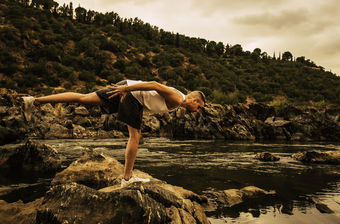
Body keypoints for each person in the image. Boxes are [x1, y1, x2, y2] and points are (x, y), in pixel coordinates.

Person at [22, 80, 206, 187]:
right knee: (136, 136)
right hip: (131, 95)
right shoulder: (178, 97)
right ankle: (127, 178)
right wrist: (126, 90)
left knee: (84, 98)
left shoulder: (180, 98)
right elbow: (154, 84)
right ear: (194, 99)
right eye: (199, 107)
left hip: (128, 89)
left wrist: (126, 86)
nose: (197, 110)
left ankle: (35, 101)